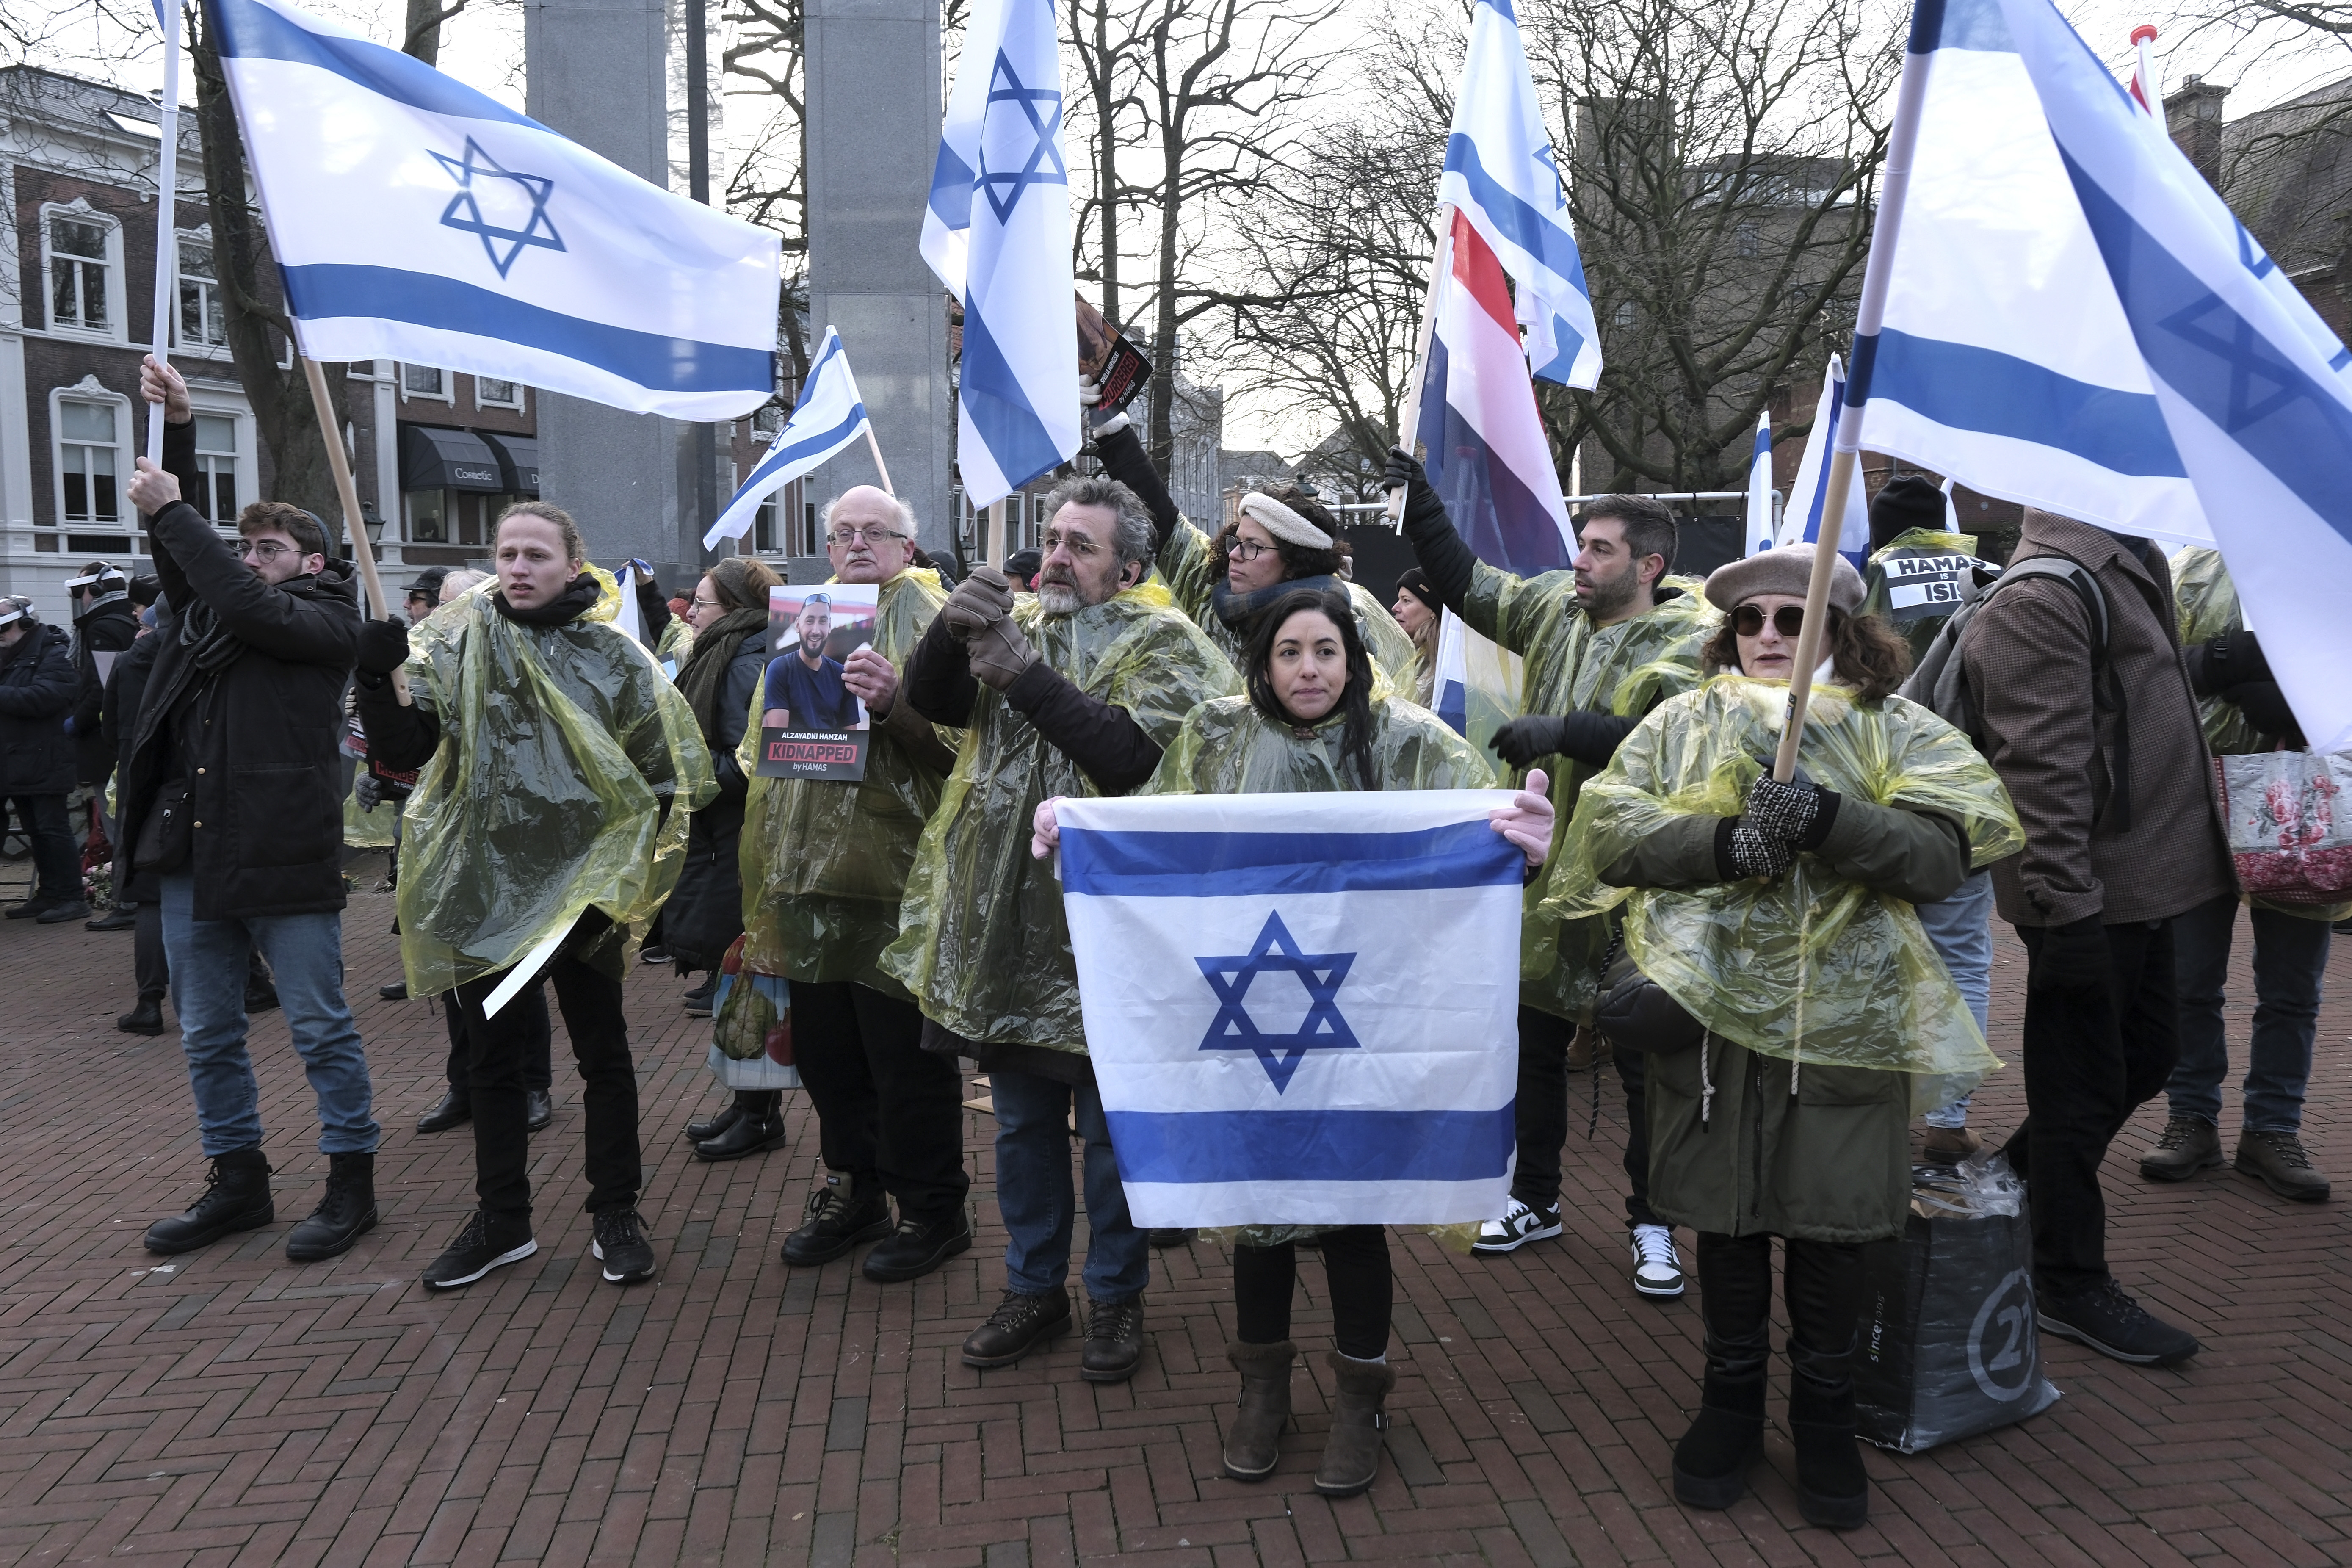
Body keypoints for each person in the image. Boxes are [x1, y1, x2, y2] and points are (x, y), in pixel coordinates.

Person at [1031, 586, 1550, 1495]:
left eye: (1324, 651)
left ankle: (1362, 1396)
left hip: (1365, 1029)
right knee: (1258, 1217)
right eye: (1286, 653)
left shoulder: (1409, 741)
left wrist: (1525, 842)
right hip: (1244, 1026)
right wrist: (1080, 834)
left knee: (1351, 1217)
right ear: (1260, 662)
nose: (1307, 670)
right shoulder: (1216, 733)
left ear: (1353, 659)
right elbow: (1157, 832)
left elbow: (1479, 837)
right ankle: (1260, 1388)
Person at [1548, 543, 2020, 1529]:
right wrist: (1721, 840)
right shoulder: (1681, 721)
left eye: (1791, 620)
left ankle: (1822, 1416)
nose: (1769, 636)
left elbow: (1941, 853)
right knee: (1726, 1218)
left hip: (1842, 1028)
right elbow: (1612, 832)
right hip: (1715, 1029)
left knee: (1831, 1226)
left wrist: (1827, 820)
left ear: (1837, 631)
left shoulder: (1896, 727)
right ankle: (1727, 1400)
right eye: (1751, 621)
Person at [884, 474, 1237, 1380]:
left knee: (1110, 1132)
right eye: (1051, 538)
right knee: (1019, 1125)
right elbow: (940, 706)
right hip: (1005, 925)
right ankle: (1032, 1286)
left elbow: (1133, 759)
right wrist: (947, 625)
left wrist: (1026, 677)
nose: (1054, 557)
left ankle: (1115, 1297)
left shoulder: (1168, 641)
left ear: (1127, 567)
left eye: (1080, 545)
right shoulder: (1024, 625)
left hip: (1107, 932)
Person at [351, 501, 714, 1289]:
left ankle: (616, 1209)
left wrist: (619, 873)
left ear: (571, 566)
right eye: (507, 553)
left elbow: (664, 768)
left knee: (601, 1053)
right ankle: (502, 1219)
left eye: (535, 554)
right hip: (491, 887)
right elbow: (405, 750)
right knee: (493, 1061)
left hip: (584, 892)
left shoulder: (614, 656)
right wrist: (378, 676)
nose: (518, 567)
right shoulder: (457, 640)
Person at [1384, 449, 1713, 1294]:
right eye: (1580, 544)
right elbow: (1467, 584)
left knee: (1643, 1061)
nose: (1579, 560)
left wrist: (1561, 730)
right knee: (1528, 1042)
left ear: (1648, 565)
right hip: (1542, 867)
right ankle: (1535, 1197)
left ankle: (1652, 1222)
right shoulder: (1555, 614)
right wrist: (1420, 498)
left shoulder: (1690, 638)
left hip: (1636, 878)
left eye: (1599, 549)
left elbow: (1660, 739)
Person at [120, 355, 379, 1265]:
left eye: (268, 548)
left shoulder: (322, 624)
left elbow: (224, 583)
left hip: (282, 850)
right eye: (245, 547)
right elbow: (189, 567)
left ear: (310, 563)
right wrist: (179, 425)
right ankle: (238, 1180)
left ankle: (352, 1178)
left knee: (318, 1023)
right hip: (194, 847)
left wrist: (174, 511)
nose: (248, 559)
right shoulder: (219, 612)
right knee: (208, 1031)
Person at [1960, 506, 2231, 1367]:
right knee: (2078, 1094)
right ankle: (2065, 1278)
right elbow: (2039, 769)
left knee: (2148, 1055)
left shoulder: (2123, 558)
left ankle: (1999, 1182)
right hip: (2084, 899)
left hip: (2141, 882)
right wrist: (2061, 908)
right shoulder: (2043, 591)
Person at [728, 487, 971, 1258]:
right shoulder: (805, 618)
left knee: (906, 1063)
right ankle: (855, 1187)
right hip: (806, 880)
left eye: (877, 531)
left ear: (908, 543)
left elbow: (967, 754)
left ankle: (934, 1209)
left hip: (896, 886)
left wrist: (896, 704)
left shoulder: (943, 621)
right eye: (844, 532)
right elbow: (761, 755)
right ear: (827, 547)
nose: (858, 543)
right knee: (831, 1062)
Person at [2139, 547, 2333, 1201]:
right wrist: (2217, 662)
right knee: (2189, 979)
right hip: (2196, 802)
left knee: (2290, 988)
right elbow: (2153, 669)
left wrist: (2298, 703)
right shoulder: (2192, 571)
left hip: (2303, 810)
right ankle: (2189, 1117)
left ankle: (2271, 1127)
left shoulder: (2330, 561)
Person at [1085, 391, 1420, 691]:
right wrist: (1109, 424)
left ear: (1294, 562)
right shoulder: (1213, 599)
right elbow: (1164, 519)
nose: (1235, 555)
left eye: (1253, 546)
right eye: (1236, 541)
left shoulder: (1346, 624)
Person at [1862, 474, 2003, 1159]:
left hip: (1879, 793)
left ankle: (1875, 1110)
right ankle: (1948, 1120)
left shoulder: (1861, 576)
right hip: (1965, 798)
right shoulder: (1992, 579)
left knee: (1874, 950)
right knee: (1963, 959)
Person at [659, 557, 779, 1051]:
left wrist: (678, 763)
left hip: (734, 841)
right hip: (726, 838)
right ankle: (750, 1110)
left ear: (733, 608)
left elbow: (747, 764)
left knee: (748, 984)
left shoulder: (741, 662)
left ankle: (756, 1115)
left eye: (701, 604)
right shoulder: (726, 652)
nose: (689, 613)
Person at [0, 597, 85, 924]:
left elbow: (46, 696)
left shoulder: (53, 651)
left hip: (45, 756)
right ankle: (50, 893)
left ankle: (72, 897)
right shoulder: (14, 653)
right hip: (18, 760)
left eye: (5, 626)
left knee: (53, 829)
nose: (2, 634)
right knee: (37, 830)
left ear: (24, 623)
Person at [86, 572, 161, 932]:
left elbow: (109, 717)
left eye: (140, 606)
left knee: (130, 829)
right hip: (181, 759)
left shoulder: (128, 659)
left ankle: (131, 901)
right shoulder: (193, 652)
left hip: (133, 752)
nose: (134, 613)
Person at [761, 593, 862, 733]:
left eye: (823, 621)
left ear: (829, 627)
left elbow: (852, 740)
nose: (816, 630)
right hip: (791, 755)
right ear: (797, 625)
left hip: (832, 754)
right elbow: (778, 739)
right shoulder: (780, 669)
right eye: (809, 621)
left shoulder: (842, 675)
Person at [1391, 567, 1442, 707]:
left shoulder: (1446, 662)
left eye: (1406, 601)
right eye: (1399, 600)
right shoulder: (1398, 654)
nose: (1395, 608)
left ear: (1433, 610)